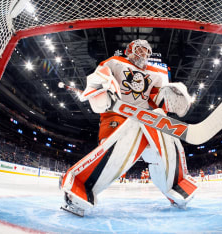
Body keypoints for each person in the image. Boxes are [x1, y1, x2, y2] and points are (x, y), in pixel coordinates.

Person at [60, 39, 198, 216]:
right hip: (117, 114)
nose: (144, 54)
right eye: (140, 49)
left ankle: (176, 187)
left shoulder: (155, 74)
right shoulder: (116, 62)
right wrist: (101, 88)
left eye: (147, 52)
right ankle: (80, 186)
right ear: (129, 50)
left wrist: (171, 95)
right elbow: (100, 75)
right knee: (116, 150)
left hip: (144, 119)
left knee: (162, 148)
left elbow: (156, 99)